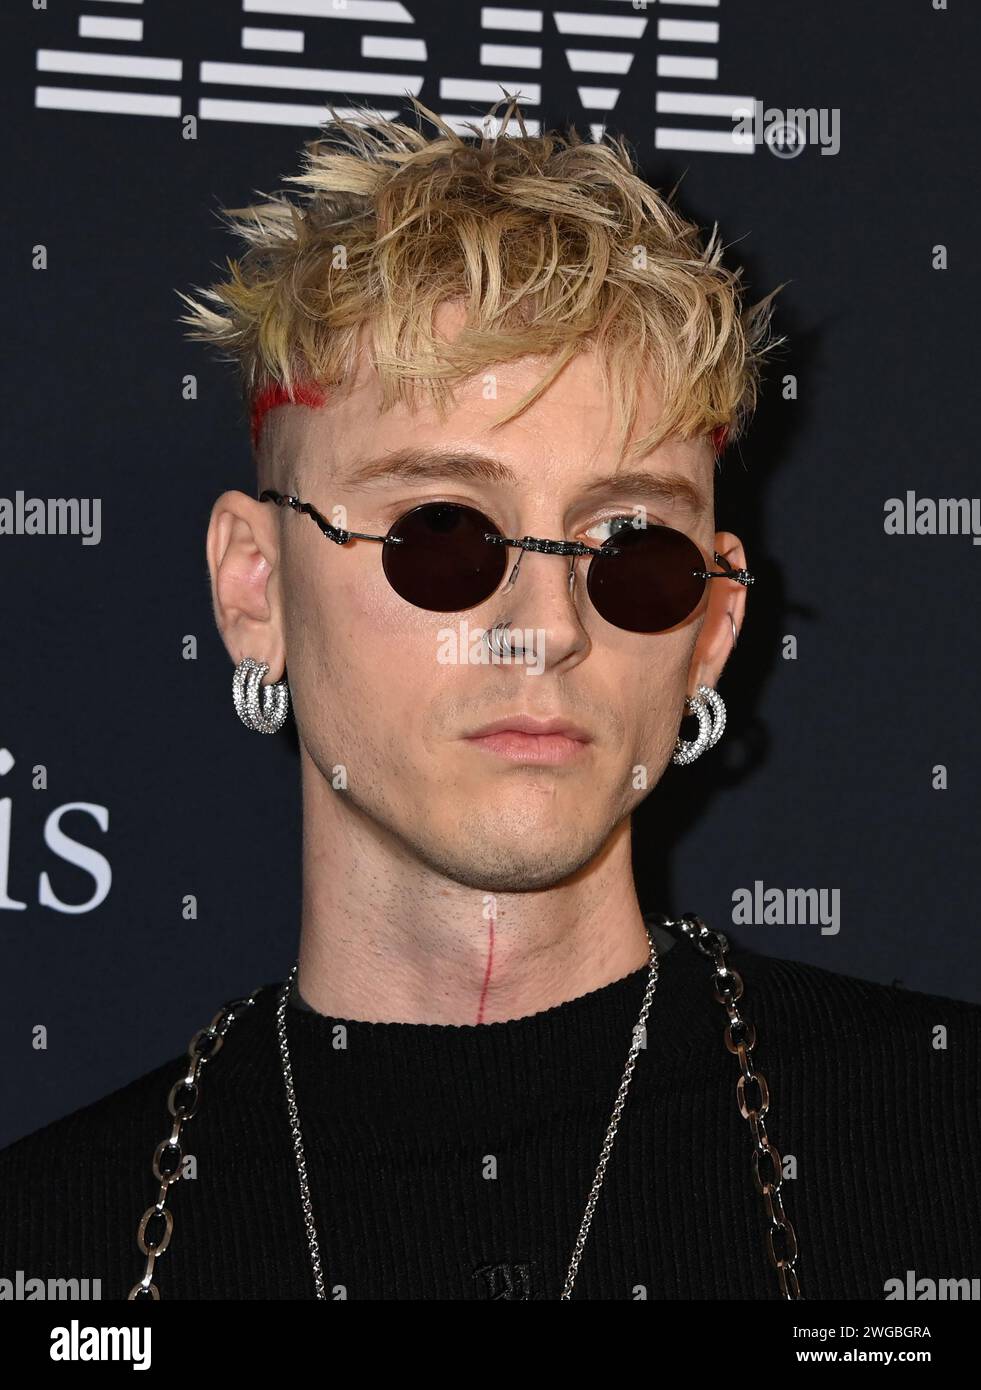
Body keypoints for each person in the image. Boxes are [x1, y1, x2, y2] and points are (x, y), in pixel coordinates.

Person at [1, 95, 978, 1304]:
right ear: (256, 587)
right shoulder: (54, 1249)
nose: (546, 627)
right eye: (444, 535)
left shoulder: (944, 1150)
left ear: (713, 628)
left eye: (634, 551)